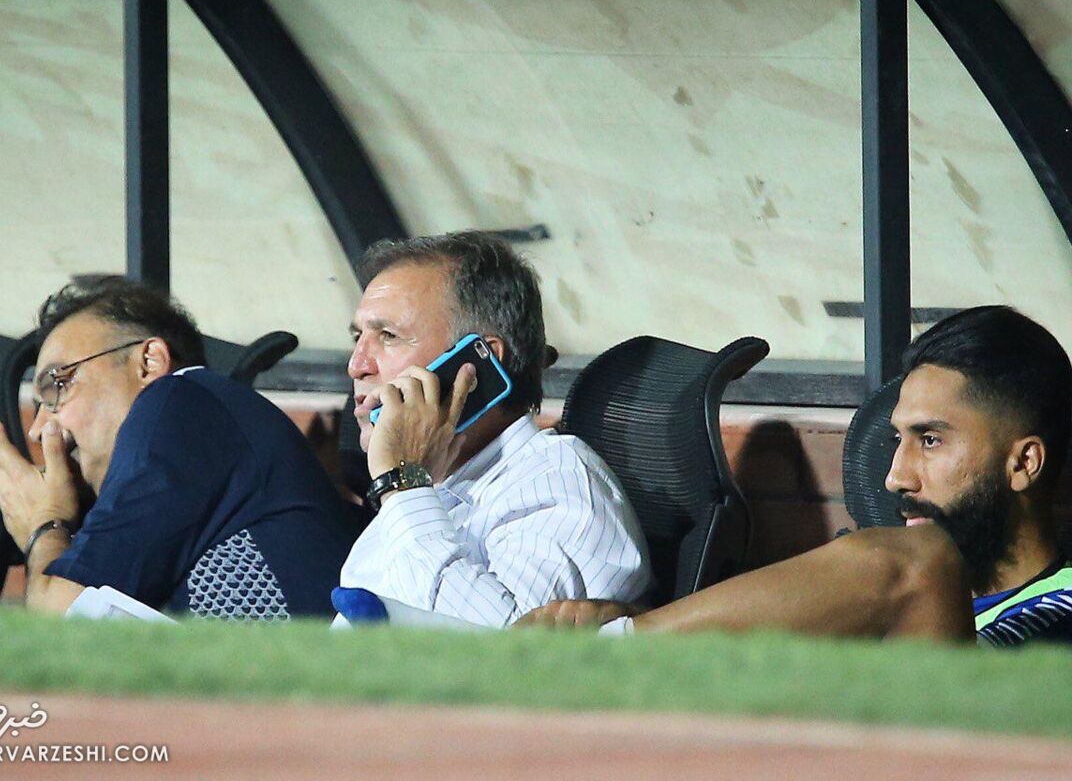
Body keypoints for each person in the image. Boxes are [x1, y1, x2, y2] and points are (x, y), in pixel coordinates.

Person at [520, 306, 1072, 647]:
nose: (896, 478)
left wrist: (628, 642)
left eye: (930, 440)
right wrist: (651, 622)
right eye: (897, 441)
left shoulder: (1057, 610)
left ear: (1023, 463)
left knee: (919, 561)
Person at [0, 277, 355, 618]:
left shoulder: (177, 401)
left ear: (149, 363)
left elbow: (65, 620)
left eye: (57, 385)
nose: (38, 429)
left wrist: (45, 523)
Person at [339, 231, 652, 627]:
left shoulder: (555, 482)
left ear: (476, 367)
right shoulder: (435, 486)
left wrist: (402, 483)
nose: (357, 365)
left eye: (388, 336)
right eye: (358, 337)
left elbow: (504, 648)